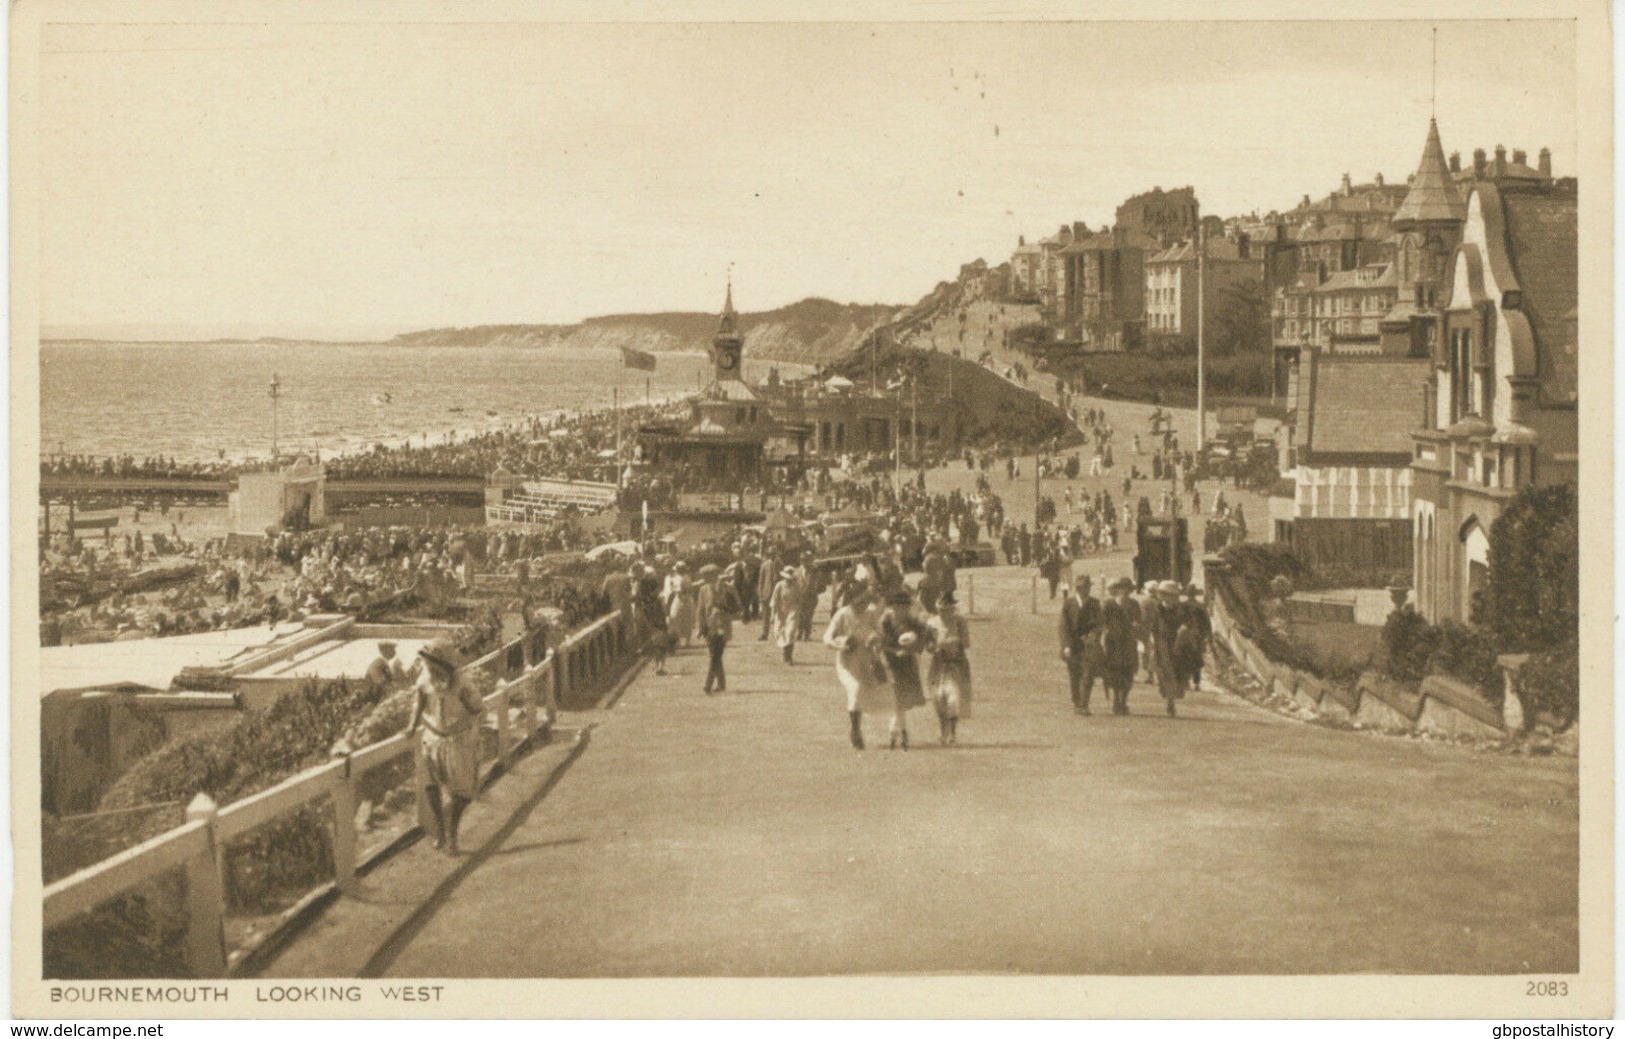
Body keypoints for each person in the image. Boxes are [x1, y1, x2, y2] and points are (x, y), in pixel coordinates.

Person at [407, 638, 483, 854]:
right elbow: (419, 704)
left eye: (434, 665)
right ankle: (440, 831)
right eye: (427, 664)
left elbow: (477, 710)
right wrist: (412, 727)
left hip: (457, 741)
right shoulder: (424, 681)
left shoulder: (462, 685)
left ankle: (452, 833)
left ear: (445, 665)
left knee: (462, 793)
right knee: (431, 786)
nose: (430, 670)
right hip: (431, 739)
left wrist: (462, 727)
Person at [824, 582, 890, 750]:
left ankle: (859, 724)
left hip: (866, 660)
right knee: (855, 688)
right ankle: (855, 730)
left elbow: (881, 635)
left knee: (871, 694)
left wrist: (876, 641)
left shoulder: (870, 615)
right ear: (852, 599)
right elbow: (827, 638)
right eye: (860, 601)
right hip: (847, 661)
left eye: (866, 601)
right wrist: (841, 643)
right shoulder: (842, 614)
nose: (864, 605)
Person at [879, 588, 928, 750]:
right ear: (891, 606)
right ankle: (901, 732)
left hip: (908, 664)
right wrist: (895, 652)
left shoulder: (913, 622)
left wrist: (911, 648)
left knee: (902, 702)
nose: (900, 609)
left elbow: (923, 640)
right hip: (891, 663)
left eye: (904, 606)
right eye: (897, 606)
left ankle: (897, 731)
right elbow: (882, 644)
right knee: (898, 699)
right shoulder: (886, 622)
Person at [925, 591, 971, 745]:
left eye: (949, 609)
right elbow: (928, 646)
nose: (946, 612)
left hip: (956, 664)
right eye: (942, 609)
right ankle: (942, 731)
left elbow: (966, 643)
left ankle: (952, 734)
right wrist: (936, 646)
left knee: (953, 698)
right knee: (938, 699)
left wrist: (952, 641)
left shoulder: (959, 621)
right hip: (937, 665)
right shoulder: (931, 623)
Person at [1058, 575, 1103, 715]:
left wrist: (1093, 637)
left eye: (1088, 587)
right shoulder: (1068, 603)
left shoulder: (1095, 603)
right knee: (1074, 675)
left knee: (1088, 674)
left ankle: (1084, 704)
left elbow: (1099, 624)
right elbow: (1063, 626)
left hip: (1089, 645)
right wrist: (1066, 645)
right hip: (1072, 646)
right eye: (1084, 587)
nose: (1087, 590)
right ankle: (1077, 702)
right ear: (1078, 589)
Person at [1100, 577, 1141, 715]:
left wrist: (1136, 627)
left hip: (1128, 642)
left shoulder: (1134, 604)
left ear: (1130, 590)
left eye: (1127, 589)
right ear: (1117, 589)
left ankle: (1124, 700)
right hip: (1113, 643)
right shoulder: (1109, 604)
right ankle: (1116, 699)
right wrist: (1106, 631)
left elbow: (1138, 620)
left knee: (1128, 671)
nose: (1124, 591)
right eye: (1122, 588)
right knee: (1114, 671)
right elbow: (1102, 621)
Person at [1146, 580, 1187, 717]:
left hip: (1177, 644)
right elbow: (1152, 626)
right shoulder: (1158, 609)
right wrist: (1151, 641)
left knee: (1176, 672)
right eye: (1165, 594)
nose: (1168, 598)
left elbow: (1187, 623)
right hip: (1161, 643)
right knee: (1164, 672)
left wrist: (1184, 629)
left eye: (1171, 595)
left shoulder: (1180, 609)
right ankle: (1170, 701)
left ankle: (1171, 700)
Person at [697, 564, 739, 694]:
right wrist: (701, 627)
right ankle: (721, 683)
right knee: (715, 655)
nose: (705, 579)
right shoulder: (703, 589)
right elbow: (701, 609)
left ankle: (708, 684)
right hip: (709, 626)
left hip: (722, 626)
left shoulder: (727, 588)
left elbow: (737, 607)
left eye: (708, 576)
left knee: (715, 655)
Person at [1175, 584, 1212, 692]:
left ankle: (1185, 681)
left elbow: (1178, 620)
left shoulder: (1182, 605)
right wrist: (1207, 636)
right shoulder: (1201, 606)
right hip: (1197, 636)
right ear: (1195, 593)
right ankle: (1196, 683)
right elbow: (1207, 623)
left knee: (1183, 658)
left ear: (1187, 593)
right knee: (1196, 659)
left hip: (1185, 635)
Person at [768, 566, 800, 664]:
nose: (789, 580)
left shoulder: (796, 586)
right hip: (781, 611)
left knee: (790, 632)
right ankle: (785, 653)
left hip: (792, 611)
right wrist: (773, 615)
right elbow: (774, 600)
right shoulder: (779, 585)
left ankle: (788, 657)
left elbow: (799, 600)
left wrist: (799, 611)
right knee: (778, 633)